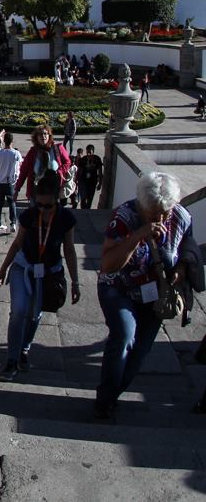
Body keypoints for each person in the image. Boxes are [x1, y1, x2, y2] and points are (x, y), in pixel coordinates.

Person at [94, 171, 193, 419]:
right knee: (124, 337)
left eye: (165, 212)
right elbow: (108, 264)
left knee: (139, 354)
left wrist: (180, 270)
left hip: (154, 295)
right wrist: (138, 236)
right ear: (142, 205)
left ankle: (113, 395)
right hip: (119, 288)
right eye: (154, 214)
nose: (160, 218)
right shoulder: (124, 217)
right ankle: (104, 401)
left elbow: (188, 249)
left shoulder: (180, 217)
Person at [0, 171, 80, 381]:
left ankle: (24, 348)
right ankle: (11, 360)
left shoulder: (66, 218)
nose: (43, 210)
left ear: (57, 200)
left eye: (48, 206)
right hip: (24, 268)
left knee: (35, 314)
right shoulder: (29, 215)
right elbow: (17, 243)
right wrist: (4, 267)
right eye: (39, 204)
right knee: (19, 311)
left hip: (48, 273)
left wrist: (75, 281)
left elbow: (69, 249)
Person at [14, 125, 71, 210]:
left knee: (53, 217)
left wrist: (59, 171)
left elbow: (68, 162)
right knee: (35, 218)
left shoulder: (58, 148)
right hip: (36, 191)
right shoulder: (33, 152)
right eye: (40, 134)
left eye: (45, 134)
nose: (43, 136)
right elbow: (23, 171)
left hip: (54, 190)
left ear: (49, 135)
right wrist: (17, 189)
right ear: (36, 137)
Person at [0, 132, 23, 232]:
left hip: (0, 181)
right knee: (12, 203)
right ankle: (13, 223)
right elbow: (20, 164)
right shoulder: (16, 153)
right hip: (10, 182)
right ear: (12, 141)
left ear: (4, 141)